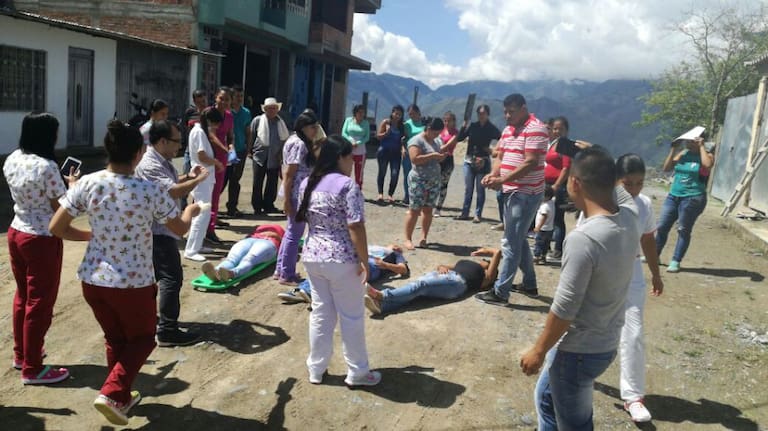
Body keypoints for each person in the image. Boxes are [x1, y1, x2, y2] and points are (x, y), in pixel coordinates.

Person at [49, 120, 201, 426]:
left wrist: (90, 236)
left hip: (93, 280)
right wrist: (191, 211)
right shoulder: (150, 190)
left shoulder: (88, 183)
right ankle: (111, 393)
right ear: (139, 153)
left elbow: (56, 227)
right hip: (132, 283)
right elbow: (180, 229)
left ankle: (121, 397)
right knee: (143, 339)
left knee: (116, 339)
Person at [518, 146, 640, 431]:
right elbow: (617, 190)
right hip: (605, 342)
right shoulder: (630, 217)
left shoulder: (584, 238)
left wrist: (538, 351)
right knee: (546, 399)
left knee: (576, 424)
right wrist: (595, 155)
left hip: (577, 353)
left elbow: (565, 307)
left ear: (574, 182)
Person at [296, 134, 381, 387]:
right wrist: (365, 260)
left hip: (313, 255)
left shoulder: (307, 183)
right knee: (351, 316)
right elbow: (355, 226)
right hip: (341, 258)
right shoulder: (347, 185)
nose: (352, 162)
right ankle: (357, 372)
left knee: (321, 313)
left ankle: (316, 368)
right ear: (340, 158)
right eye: (350, 157)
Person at [3, 113, 80, 385]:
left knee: (23, 297)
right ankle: (33, 368)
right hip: (41, 238)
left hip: (17, 231)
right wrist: (73, 188)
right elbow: (60, 208)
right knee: (40, 303)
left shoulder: (13, 158)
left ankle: (22, 355)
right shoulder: (47, 167)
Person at [135, 120, 210, 347]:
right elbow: (171, 191)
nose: (180, 146)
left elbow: (171, 183)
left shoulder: (161, 160)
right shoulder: (149, 164)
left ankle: (153, 321)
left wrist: (188, 176)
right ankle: (167, 330)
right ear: (162, 141)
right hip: (157, 231)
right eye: (177, 141)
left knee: (158, 277)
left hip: (160, 229)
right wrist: (198, 181)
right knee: (170, 278)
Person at [475, 94, 548, 305]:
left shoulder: (536, 128)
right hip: (511, 191)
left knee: (510, 242)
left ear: (524, 108)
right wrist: (493, 174)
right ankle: (530, 285)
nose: (507, 115)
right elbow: (501, 155)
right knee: (518, 238)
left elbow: (531, 162)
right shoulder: (508, 129)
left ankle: (501, 293)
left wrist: (502, 180)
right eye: (505, 111)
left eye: (512, 111)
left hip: (526, 193)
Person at [615, 153, 664, 423]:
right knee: (579, 322)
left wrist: (656, 274)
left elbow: (647, 241)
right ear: (616, 180)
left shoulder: (644, 204)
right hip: (602, 269)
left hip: (632, 271)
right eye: (627, 183)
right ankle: (558, 371)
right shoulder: (602, 200)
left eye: (639, 183)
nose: (633, 189)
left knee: (633, 333)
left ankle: (633, 396)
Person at [364, 247, 501, 315]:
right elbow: (444, 266)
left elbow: (498, 254)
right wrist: (442, 267)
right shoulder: (470, 265)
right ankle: (383, 307)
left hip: (457, 283)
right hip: (445, 276)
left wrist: (492, 252)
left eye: (487, 262)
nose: (484, 261)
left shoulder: (485, 277)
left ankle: (382, 295)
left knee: (420, 286)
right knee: (417, 294)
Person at [655, 135, 714, 273]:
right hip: (674, 196)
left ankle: (676, 261)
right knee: (662, 226)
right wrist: (673, 149)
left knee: (683, 229)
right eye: (687, 140)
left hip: (693, 198)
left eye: (691, 140)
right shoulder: (683, 153)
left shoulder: (707, 155)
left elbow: (707, 165)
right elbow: (667, 168)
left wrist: (701, 147)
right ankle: (654, 255)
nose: (687, 142)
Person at [275, 111, 321, 285]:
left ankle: (281, 269)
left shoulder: (297, 141)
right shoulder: (299, 144)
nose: (315, 130)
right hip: (296, 194)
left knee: (291, 233)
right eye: (312, 127)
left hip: (298, 193)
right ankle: (287, 274)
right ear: (303, 127)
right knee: (295, 234)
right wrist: (287, 200)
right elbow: (289, 174)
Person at [278, 244, 409, 303]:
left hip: (373, 267)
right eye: (394, 245)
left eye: (398, 247)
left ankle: (307, 292)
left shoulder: (395, 254)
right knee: (331, 269)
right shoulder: (374, 247)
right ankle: (302, 290)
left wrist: (386, 265)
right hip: (357, 259)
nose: (396, 246)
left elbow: (403, 270)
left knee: (342, 274)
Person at [447, 105, 502, 223]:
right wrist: (463, 126)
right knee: (468, 188)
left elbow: (502, 138)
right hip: (469, 160)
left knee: (480, 189)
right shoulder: (473, 126)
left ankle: (478, 214)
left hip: (483, 161)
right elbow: (460, 138)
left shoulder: (491, 128)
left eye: (483, 113)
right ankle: (465, 213)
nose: (481, 115)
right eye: (479, 113)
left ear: (488, 114)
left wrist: (492, 150)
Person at [184, 108, 225, 262]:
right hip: (202, 177)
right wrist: (216, 162)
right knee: (202, 213)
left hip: (205, 177)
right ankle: (191, 250)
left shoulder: (200, 131)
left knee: (204, 213)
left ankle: (197, 244)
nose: (215, 128)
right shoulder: (199, 132)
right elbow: (202, 156)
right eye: (215, 124)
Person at [404, 117, 446, 250]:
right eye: (435, 133)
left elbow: (437, 157)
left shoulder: (437, 141)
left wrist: (440, 157)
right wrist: (433, 156)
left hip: (434, 180)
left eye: (439, 133)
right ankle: (408, 239)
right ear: (428, 129)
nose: (437, 135)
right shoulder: (416, 140)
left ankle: (423, 237)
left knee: (428, 210)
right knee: (414, 210)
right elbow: (414, 159)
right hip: (419, 180)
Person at [202, 224, 285, 281]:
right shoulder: (257, 231)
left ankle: (232, 273)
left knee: (248, 259)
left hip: (268, 242)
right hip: (251, 239)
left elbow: (286, 244)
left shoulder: (280, 233)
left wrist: (277, 236)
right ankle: (215, 271)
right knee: (232, 259)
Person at [249, 97, 290, 215]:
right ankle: (257, 206)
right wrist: (249, 151)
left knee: (272, 183)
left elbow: (284, 140)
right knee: (257, 182)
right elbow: (251, 135)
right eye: (270, 108)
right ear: (265, 109)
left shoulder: (280, 122)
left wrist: (281, 154)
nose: (272, 110)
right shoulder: (257, 120)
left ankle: (268, 205)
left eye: (274, 108)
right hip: (260, 156)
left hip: (275, 156)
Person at [207, 87, 235, 242]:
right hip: (207, 156)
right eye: (221, 98)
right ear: (215, 98)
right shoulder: (209, 113)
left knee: (216, 193)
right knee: (203, 192)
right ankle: (198, 226)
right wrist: (225, 149)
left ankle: (210, 228)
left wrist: (231, 148)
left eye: (227, 99)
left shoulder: (229, 116)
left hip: (222, 158)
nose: (224, 102)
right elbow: (211, 135)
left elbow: (230, 136)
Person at [545, 116, 573, 259]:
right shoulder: (553, 144)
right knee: (546, 216)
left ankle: (558, 249)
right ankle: (544, 246)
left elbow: (566, 168)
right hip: (547, 185)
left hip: (558, 186)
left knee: (557, 218)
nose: (557, 131)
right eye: (555, 128)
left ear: (566, 130)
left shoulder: (565, 146)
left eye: (560, 129)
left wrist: (556, 185)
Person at [225, 84, 252, 217]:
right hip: (226, 150)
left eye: (241, 96)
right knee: (223, 179)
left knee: (235, 180)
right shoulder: (226, 112)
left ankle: (232, 207)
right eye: (237, 96)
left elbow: (248, 132)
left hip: (240, 150)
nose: (240, 98)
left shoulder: (246, 113)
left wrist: (248, 149)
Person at [376, 105, 406, 203]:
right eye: (396, 113)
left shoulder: (401, 126)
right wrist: (386, 133)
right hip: (384, 151)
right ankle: (380, 193)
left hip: (396, 154)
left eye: (400, 114)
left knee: (394, 174)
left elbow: (402, 140)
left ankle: (390, 194)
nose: (397, 116)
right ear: (392, 113)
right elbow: (378, 136)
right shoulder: (386, 122)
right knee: (382, 172)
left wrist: (403, 149)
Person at [435, 111, 459, 217]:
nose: (447, 123)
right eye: (445, 120)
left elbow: (448, 145)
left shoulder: (455, 133)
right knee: (433, 182)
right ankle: (428, 205)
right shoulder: (441, 130)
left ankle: (438, 208)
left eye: (449, 121)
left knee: (443, 184)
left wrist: (440, 148)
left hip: (448, 160)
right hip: (437, 158)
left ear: (453, 121)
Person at [342, 104, 370, 188]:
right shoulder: (348, 120)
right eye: (359, 112)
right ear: (355, 112)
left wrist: (358, 143)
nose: (361, 114)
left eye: (363, 112)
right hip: (348, 149)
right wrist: (351, 141)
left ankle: (358, 190)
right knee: (346, 170)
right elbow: (344, 133)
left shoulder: (366, 123)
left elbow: (367, 137)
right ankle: (344, 188)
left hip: (360, 151)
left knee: (359, 173)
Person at [181, 89, 208, 176]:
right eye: (198, 102)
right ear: (194, 102)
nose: (202, 104)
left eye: (203, 101)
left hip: (204, 150)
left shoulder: (211, 113)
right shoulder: (190, 112)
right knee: (187, 174)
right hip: (190, 149)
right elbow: (184, 127)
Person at [402, 104, 425, 205]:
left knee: (420, 175)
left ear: (418, 112)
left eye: (413, 113)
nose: (412, 115)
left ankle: (418, 195)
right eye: (410, 114)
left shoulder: (424, 123)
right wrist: (402, 148)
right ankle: (407, 196)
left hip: (421, 153)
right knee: (407, 175)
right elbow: (403, 138)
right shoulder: (407, 124)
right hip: (408, 152)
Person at [533, 186, 556, 265]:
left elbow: (544, 216)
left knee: (539, 243)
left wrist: (538, 227)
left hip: (542, 229)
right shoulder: (551, 202)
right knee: (546, 244)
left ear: (547, 196)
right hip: (550, 228)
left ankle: (536, 257)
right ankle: (543, 256)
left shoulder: (545, 206)